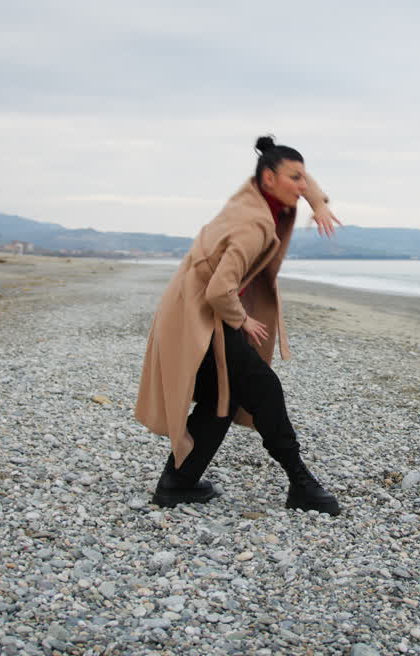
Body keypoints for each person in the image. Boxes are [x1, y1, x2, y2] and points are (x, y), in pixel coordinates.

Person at [134, 135, 344, 515]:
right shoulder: (255, 223)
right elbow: (219, 290)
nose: (303, 185)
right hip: (201, 315)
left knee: (221, 397)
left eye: (303, 178)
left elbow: (299, 178)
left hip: (193, 309)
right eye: (294, 179)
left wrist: (319, 203)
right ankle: (301, 483)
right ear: (268, 180)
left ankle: (177, 482)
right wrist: (242, 319)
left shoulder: (256, 193)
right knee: (263, 386)